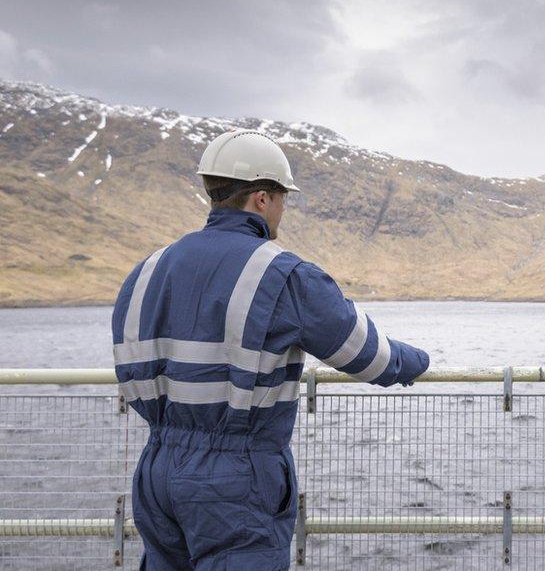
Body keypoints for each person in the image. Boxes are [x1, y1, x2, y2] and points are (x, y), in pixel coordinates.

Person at [111, 130, 430, 570]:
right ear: (262, 198)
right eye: (283, 198)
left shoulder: (146, 270)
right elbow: (369, 356)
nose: (284, 209)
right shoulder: (282, 273)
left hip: (157, 470)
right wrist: (421, 361)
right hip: (235, 480)